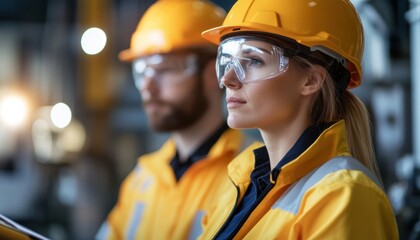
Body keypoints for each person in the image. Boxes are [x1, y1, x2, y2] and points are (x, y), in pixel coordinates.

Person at [198, 0, 399, 239]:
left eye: (253, 61)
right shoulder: (240, 186)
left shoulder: (343, 196)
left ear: (311, 81)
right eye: (227, 60)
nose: (228, 79)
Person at [95, 0, 257, 239]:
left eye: (165, 68)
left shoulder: (255, 175)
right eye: (141, 71)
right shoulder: (141, 180)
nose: (147, 87)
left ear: (216, 72)